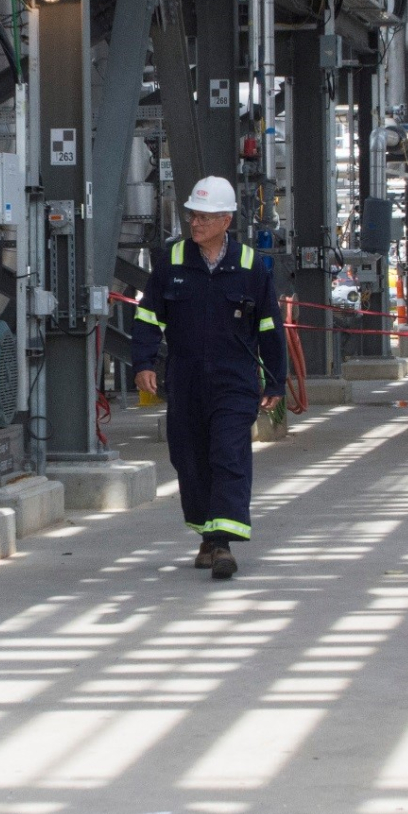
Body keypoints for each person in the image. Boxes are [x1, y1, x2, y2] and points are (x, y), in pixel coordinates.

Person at [131, 177, 286, 579]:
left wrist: (275, 381)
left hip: (235, 379)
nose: (194, 223)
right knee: (190, 458)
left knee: (228, 454)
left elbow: (269, 326)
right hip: (185, 378)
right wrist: (144, 363)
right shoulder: (173, 262)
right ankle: (206, 532)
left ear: (226, 220)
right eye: (192, 215)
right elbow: (148, 317)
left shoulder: (251, 266)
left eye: (203, 216)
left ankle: (221, 544)